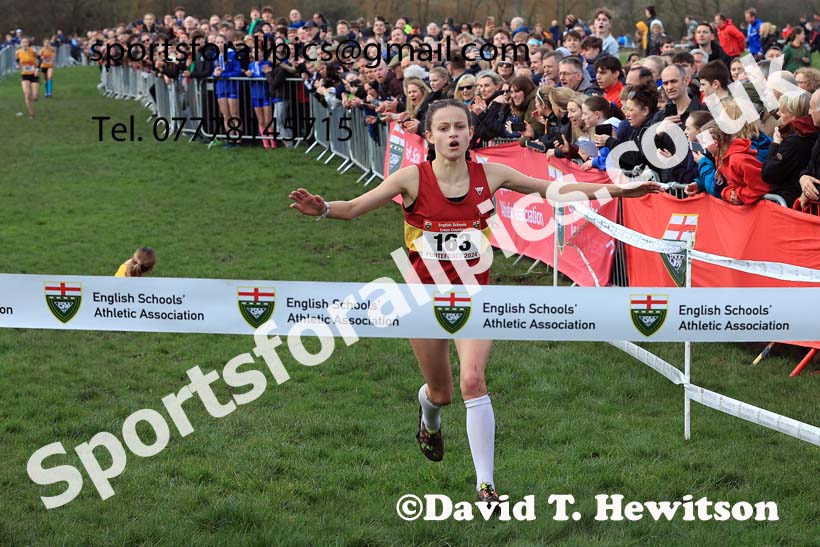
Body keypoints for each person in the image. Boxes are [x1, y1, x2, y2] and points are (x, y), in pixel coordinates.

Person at [288, 100, 659, 506]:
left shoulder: (492, 173)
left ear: (469, 133)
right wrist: (322, 209)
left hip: (474, 299)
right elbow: (355, 208)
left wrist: (616, 188)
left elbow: (554, 190)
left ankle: (486, 486)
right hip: (424, 301)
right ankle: (429, 420)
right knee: (441, 393)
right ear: (429, 136)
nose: (452, 134)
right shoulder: (411, 178)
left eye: (459, 127)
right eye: (443, 128)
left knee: (472, 382)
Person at [763, 91, 819, 206]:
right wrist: (804, 177)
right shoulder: (812, 132)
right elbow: (810, 167)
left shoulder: (795, 141)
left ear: (793, 115)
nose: (778, 113)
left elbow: (769, 174)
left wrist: (775, 145)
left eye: (782, 111)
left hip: (790, 204)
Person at [15, 37, 39, 119]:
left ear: (28, 43)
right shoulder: (18, 52)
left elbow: (40, 60)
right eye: (23, 42)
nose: (25, 44)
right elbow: (17, 61)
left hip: (34, 74)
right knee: (27, 95)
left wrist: (37, 69)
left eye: (26, 42)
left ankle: (34, 99)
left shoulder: (33, 51)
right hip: (24, 75)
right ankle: (31, 114)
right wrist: (18, 66)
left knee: (35, 97)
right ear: (21, 44)